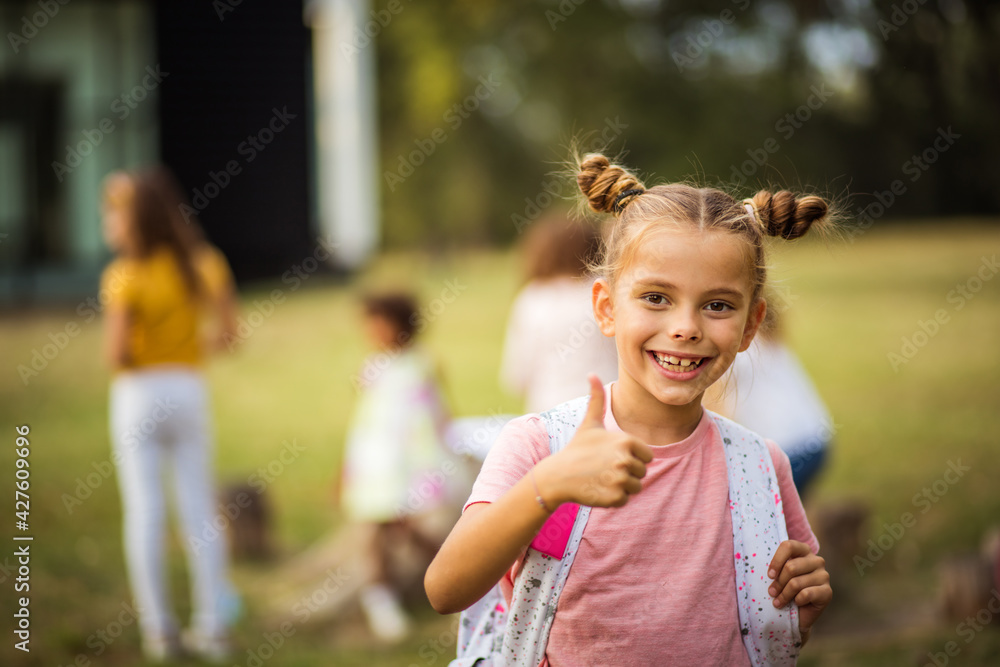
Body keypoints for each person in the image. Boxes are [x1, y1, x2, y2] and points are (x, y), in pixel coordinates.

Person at [425, 153, 833, 666]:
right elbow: (445, 589)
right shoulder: (540, 448)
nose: (685, 327)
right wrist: (547, 487)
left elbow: (768, 630)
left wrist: (799, 613)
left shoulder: (759, 468)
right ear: (606, 308)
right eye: (656, 298)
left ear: (751, 324)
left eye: (718, 305)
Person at [101, 167, 239, 662]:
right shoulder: (204, 263)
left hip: (138, 393)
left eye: (113, 212)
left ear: (133, 219)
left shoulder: (124, 276)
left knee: (145, 511)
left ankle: (159, 632)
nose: (108, 222)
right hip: (188, 388)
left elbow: (117, 354)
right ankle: (213, 627)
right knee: (199, 508)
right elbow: (230, 334)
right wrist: (188, 349)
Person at [337, 292, 454, 641]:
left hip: (413, 464)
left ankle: (458, 579)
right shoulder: (371, 367)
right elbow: (365, 420)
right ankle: (380, 598)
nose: (372, 331)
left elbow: (436, 412)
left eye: (380, 323)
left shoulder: (421, 363)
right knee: (374, 530)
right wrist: (347, 468)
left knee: (413, 528)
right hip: (377, 467)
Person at [705, 306, 833, 497]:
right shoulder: (766, 336)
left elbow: (715, 410)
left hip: (785, 448)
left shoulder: (730, 348)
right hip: (816, 437)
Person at [500, 214, 618, 413]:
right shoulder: (606, 291)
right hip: (608, 408)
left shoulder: (532, 299)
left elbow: (517, 376)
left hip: (549, 412)